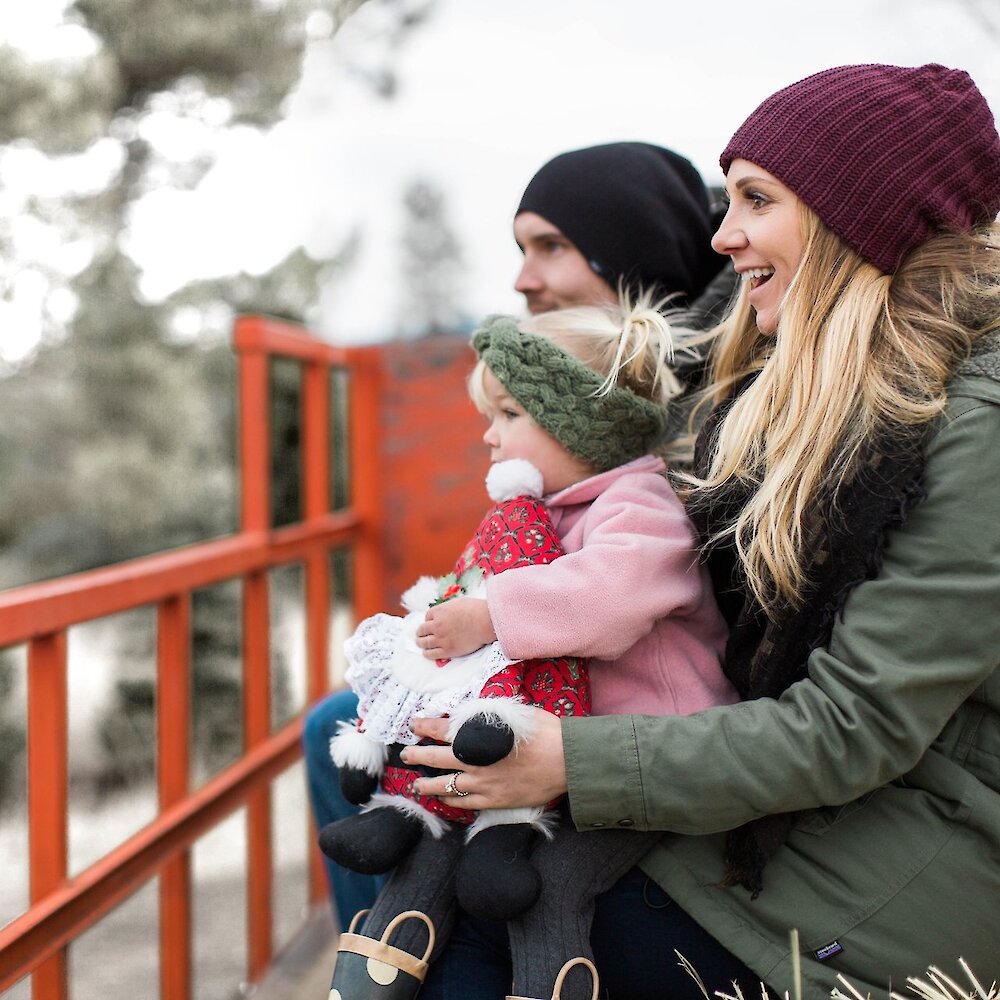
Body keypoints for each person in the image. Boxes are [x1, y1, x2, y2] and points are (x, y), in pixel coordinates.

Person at [402, 62, 1000, 999]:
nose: (723, 236)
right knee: (448, 874)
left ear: (858, 221)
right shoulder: (812, 390)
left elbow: (850, 727)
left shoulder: (974, 428)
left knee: (467, 934)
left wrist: (569, 762)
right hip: (820, 811)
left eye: (756, 200)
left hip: (914, 860)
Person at [302, 141, 730, 931]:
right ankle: (388, 941)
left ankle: (405, 942)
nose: (523, 278)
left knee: (349, 732)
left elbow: (621, 584)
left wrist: (491, 613)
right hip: (565, 692)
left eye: (551, 246)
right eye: (519, 249)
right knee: (352, 721)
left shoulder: (688, 412)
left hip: (641, 735)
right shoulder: (584, 435)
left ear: (632, 252)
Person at [325, 298, 737, 996]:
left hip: (648, 761)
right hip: (561, 758)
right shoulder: (538, 515)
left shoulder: (638, 507)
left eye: (509, 415)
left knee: (549, 879)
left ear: (580, 424)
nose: (489, 436)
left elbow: (606, 599)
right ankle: (373, 969)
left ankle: (550, 983)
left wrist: (490, 615)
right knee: (432, 831)